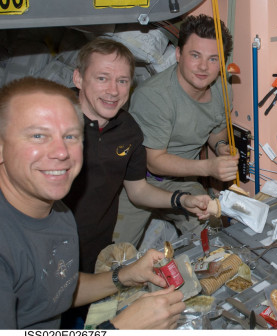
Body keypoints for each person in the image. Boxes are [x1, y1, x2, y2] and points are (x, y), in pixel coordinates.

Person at [0, 77, 185, 329]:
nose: (61, 152)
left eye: (70, 136)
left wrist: (125, 276)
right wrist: (122, 328)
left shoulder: (59, 213)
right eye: (38, 135)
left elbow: (57, 289)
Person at [63, 38, 215, 275]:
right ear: (78, 79)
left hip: (96, 246)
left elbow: (138, 190)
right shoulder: (53, 120)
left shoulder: (128, 130)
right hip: (52, 247)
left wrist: (182, 200)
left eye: (122, 81)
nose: (113, 90)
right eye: (102, 78)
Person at [114, 14, 239, 247]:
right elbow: (154, 161)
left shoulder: (223, 89)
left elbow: (216, 130)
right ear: (179, 55)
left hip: (182, 182)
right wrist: (209, 167)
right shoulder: (155, 97)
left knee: (215, 239)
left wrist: (222, 148)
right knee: (115, 260)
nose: (203, 67)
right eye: (195, 56)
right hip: (138, 183)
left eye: (213, 59)